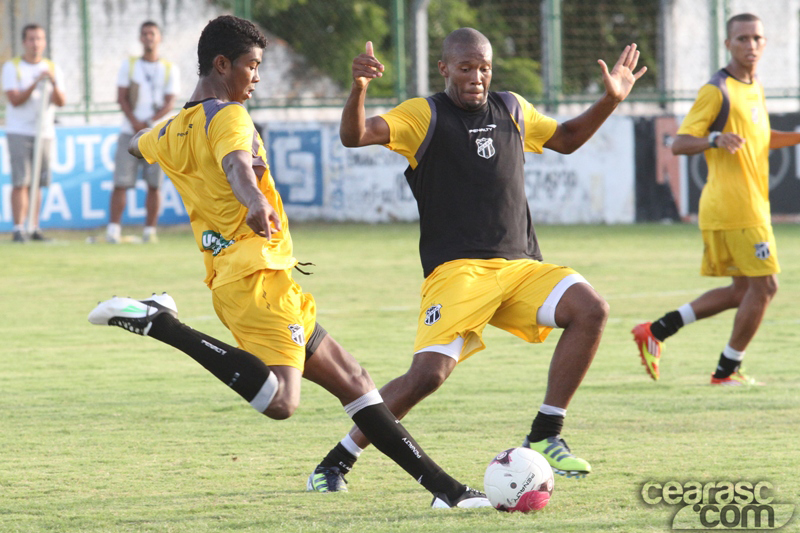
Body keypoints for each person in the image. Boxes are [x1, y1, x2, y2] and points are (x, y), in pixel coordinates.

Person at [88, 15, 489, 509]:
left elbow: (136, 143)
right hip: (253, 277)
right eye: (252, 66)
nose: (256, 77)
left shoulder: (174, 129)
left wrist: (163, 130)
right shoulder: (229, 115)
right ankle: (164, 324)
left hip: (263, 278)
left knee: (356, 383)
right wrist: (254, 200)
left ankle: (446, 492)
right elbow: (237, 164)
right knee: (282, 401)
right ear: (221, 64)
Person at [306, 28, 646, 492]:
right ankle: (336, 462)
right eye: (466, 68)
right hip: (458, 271)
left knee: (592, 309)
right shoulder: (423, 114)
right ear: (445, 68)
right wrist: (359, 89)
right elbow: (356, 135)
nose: (477, 77)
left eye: (484, 67)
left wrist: (611, 100)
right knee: (426, 376)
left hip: (520, 266)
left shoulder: (511, 108)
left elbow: (566, 138)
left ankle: (546, 434)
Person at [633, 13, 800, 386]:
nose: (751, 45)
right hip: (736, 208)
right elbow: (678, 143)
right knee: (766, 287)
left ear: (765, 42)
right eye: (742, 39)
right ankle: (726, 371)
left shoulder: (754, 85)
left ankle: (656, 330)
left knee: (742, 291)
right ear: (728, 44)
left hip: (748, 206)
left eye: (757, 38)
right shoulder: (717, 90)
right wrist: (713, 139)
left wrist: (796, 137)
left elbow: (759, 136)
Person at [106, 21, 179, 244]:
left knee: (154, 184)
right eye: (145, 33)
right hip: (130, 131)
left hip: (155, 134)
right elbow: (121, 97)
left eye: (152, 34)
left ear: (159, 38)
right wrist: (135, 122)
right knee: (121, 181)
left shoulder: (169, 68)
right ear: (140, 38)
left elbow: (170, 102)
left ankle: (150, 231)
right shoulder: (129, 65)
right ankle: (113, 230)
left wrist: (148, 122)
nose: (148, 37)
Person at [2, 24, 66, 242]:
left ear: (44, 42)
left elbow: (61, 102)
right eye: (31, 39)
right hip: (20, 130)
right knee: (21, 181)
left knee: (38, 182)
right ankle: (18, 228)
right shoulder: (13, 67)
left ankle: (34, 226)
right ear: (24, 42)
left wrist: (53, 81)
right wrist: (35, 83)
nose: (36, 43)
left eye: (39, 39)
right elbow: (15, 100)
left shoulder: (51, 67)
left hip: (45, 131)